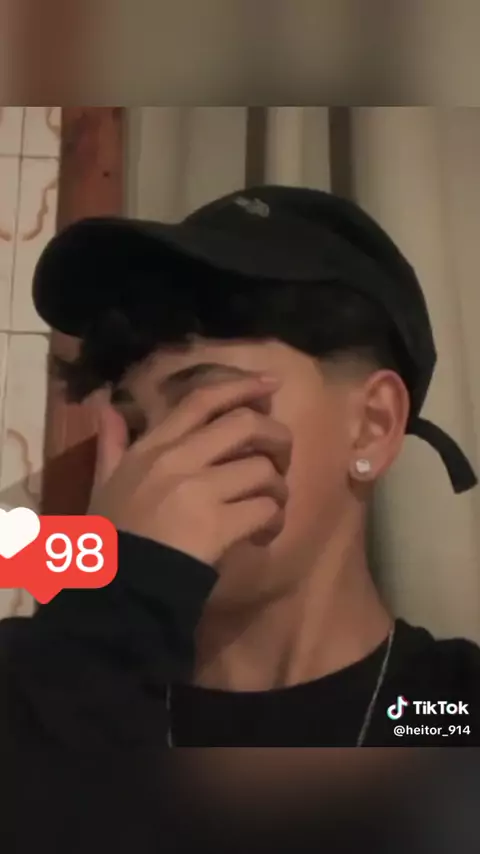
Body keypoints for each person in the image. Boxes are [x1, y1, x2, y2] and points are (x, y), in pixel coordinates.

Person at [2, 186, 480, 848]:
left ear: (372, 426)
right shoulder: (39, 680)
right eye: (135, 430)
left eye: (207, 409)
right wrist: (110, 614)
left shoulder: (450, 711)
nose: (156, 468)